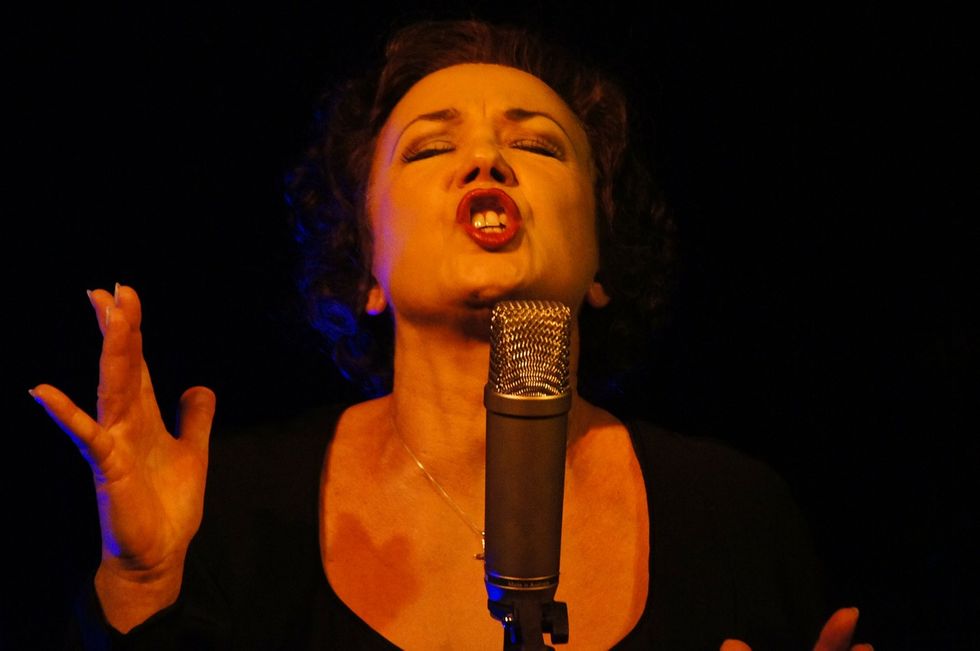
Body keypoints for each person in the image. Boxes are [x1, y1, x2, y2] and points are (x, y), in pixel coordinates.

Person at [32, 20, 870, 650]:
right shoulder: (237, 503)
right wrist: (143, 584)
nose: (486, 162)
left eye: (536, 145)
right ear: (367, 265)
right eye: (431, 148)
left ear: (601, 259)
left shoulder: (732, 512)